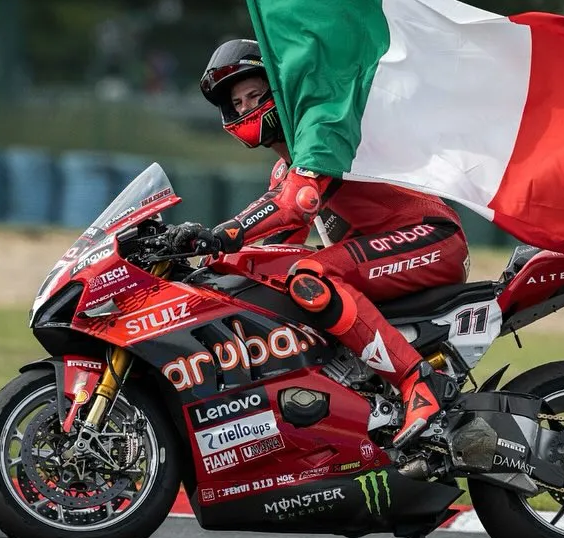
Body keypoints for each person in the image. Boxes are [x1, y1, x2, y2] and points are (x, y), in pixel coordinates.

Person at [168, 39, 470, 447]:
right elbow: (272, 249)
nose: (244, 108)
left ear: (280, 91)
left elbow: (295, 205)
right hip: (388, 249)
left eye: (255, 95)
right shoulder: (285, 168)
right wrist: (197, 272)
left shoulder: (321, 132)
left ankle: (419, 383)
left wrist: (217, 235)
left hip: (430, 236)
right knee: (280, 282)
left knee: (311, 275)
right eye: (237, 103)